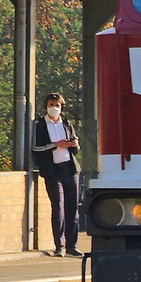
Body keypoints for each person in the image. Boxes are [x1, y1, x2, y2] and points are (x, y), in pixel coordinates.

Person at [31, 92, 82, 257]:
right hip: (53, 171)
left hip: (70, 169)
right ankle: (59, 245)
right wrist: (55, 145)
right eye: (51, 105)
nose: (54, 108)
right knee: (58, 207)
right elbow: (35, 148)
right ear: (46, 106)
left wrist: (73, 143)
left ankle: (72, 246)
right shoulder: (39, 124)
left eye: (57, 105)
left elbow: (75, 148)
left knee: (72, 208)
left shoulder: (66, 123)